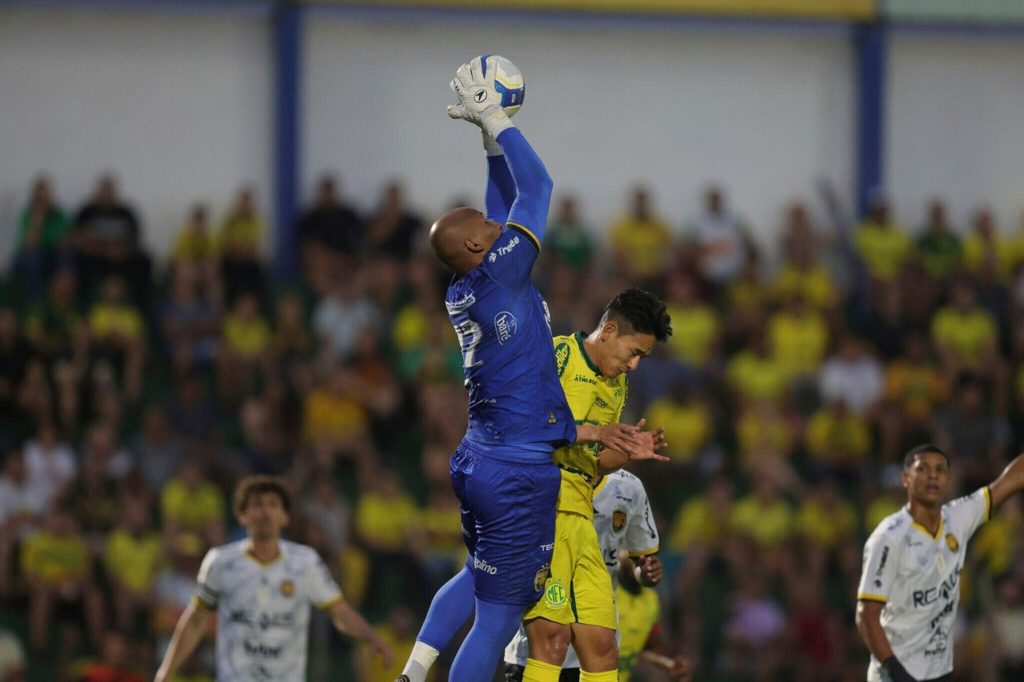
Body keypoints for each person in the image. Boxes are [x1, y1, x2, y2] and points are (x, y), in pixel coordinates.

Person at [397, 57, 649, 682]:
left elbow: (501, 205)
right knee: (499, 616)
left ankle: (412, 670)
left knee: (477, 574)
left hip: (481, 454)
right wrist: (498, 122)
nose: (497, 222)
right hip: (516, 474)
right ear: (482, 248)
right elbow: (536, 190)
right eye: (487, 225)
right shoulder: (503, 270)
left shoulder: (469, 283)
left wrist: (486, 146)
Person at [508, 289, 673, 682]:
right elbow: (524, 427)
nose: (633, 365)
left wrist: (628, 449)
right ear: (609, 330)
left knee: (601, 646)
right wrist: (599, 430)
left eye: (642, 358)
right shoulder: (559, 354)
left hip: (581, 515)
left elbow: (594, 466)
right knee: (550, 638)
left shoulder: (616, 389)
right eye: (633, 352)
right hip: (542, 507)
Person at [154, 475, 391, 682]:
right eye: (257, 504)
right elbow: (196, 620)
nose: (265, 511)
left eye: (273, 504)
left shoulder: (305, 562)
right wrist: (166, 671)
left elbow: (338, 611)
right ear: (242, 515)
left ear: (285, 517)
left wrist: (370, 636)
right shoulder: (220, 562)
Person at [856, 444, 1024, 682]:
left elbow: (1012, 479)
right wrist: (896, 671)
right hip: (895, 673)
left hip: (940, 672)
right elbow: (866, 615)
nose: (933, 475)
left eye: (941, 469)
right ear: (905, 478)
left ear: (948, 479)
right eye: (922, 468)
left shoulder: (958, 517)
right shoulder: (889, 538)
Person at [505, 468, 686, 682]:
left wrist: (645, 573)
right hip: (536, 648)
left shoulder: (629, 487)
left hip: (597, 652)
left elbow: (636, 559)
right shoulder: (545, 475)